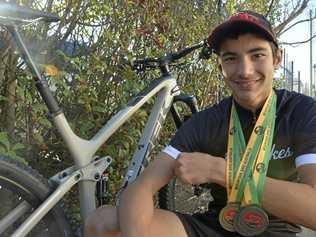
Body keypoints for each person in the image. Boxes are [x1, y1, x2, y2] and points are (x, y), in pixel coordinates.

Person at [84, 10, 316, 237]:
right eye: (231, 58)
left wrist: (222, 172)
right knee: (104, 221)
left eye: (257, 55)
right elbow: (140, 189)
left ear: (277, 59)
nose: (245, 71)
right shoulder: (208, 121)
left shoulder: (302, 112)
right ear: (220, 68)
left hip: (278, 230)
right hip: (217, 226)